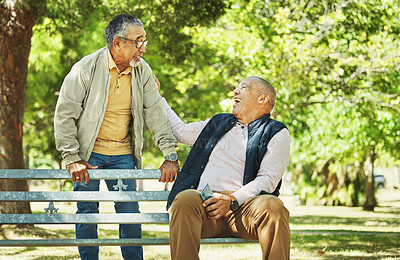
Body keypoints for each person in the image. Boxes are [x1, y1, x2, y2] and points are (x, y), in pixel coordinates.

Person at [54, 14, 179, 260]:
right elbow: (64, 115)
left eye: (145, 41)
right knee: (87, 210)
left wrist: (170, 153)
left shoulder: (142, 71)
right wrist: (72, 157)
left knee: (129, 210)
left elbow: (156, 114)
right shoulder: (85, 68)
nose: (143, 48)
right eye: (138, 41)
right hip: (88, 154)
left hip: (123, 153)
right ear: (117, 43)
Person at [155, 75, 291, 260]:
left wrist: (232, 199)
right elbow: (179, 131)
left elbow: (267, 179)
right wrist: (157, 97)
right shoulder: (218, 123)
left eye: (244, 87)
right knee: (184, 199)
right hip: (206, 208)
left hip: (244, 212)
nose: (236, 91)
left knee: (274, 207)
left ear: (262, 98)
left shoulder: (276, 132)